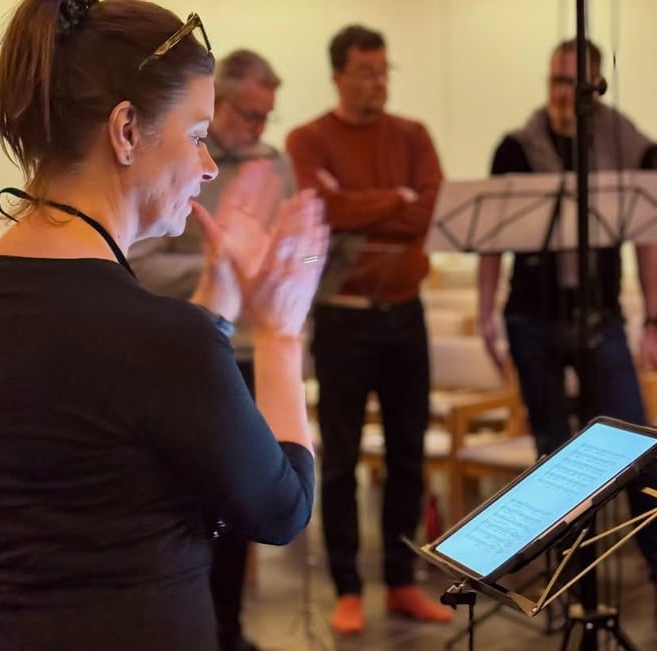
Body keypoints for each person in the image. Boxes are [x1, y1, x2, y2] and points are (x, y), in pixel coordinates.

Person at [0, 2, 328, 650]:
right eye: (196, 134)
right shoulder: (158, 337)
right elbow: (281, 508)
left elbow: (122, 422)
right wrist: (281, 333)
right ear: (125, 130)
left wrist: (220, 292)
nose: (208, 165)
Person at [285, 24, 453, 634]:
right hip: (343, 318)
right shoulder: (308, 140)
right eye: (365, 73)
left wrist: (366, 204)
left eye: (384, 72)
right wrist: (393, 199)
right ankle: (348, 587)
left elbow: (429, 210)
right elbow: (322, 212)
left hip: (405, 313)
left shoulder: (413, 135)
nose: (378, 83)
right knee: (341, 458)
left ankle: (402, 581)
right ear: (338, 76)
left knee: (408, 453)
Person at [127, 48, 293, 651]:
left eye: (266, 116)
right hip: (192, 346)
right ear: (219, 104)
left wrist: (291, 264)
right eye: (248, 114)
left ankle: (229, 628)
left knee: (245, 501)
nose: (258, 127)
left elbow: (292, 247)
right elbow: (141, 264)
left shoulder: (275, 164)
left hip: (250, 349)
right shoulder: (175, 159)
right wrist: (223, 268)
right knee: (195, 509)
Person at [478, 38, 657, 589]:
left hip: (600, 314)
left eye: (571, 84)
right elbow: (491, 240)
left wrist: (654, 319)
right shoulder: (516, 147)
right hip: (531, 317)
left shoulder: (625, 142)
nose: (559, 93)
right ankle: (571, 579)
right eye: (554, 80)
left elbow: (647, 234)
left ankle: (655, 564)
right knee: (553, 453)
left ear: (593, 89)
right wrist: (485, 314)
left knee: (634, 442)